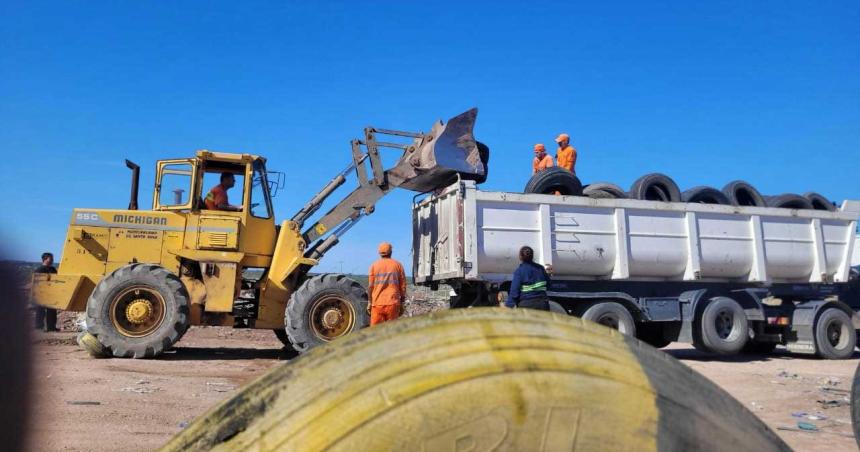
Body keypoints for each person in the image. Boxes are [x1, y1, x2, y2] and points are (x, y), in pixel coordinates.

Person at [367, 242, 407, 326]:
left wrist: (370, 302)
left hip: (377, 304)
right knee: (391, 331)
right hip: (393, 303)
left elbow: (370, 287)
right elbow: (403, 286)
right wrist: (402, 302)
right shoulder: (398, 265)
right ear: (391, 252)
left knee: (375, 332)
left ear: (379, 253)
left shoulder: (374, 266)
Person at [505, 246, 551, 311]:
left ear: (520, 257)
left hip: (526, 306)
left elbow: (514, 292)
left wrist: (509, 306)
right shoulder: (541, 268)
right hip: (542, 304)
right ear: (532, 256)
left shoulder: (519, 271)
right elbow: (548, 285)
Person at [33, 252, 59, 332]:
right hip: (42, 293)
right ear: (45, 259)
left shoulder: (53, 269)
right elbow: (36, 282)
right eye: (50, 259)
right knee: (40, 311)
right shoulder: (39, 270)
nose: (52, 260)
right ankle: (39, 327)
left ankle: (51, 327)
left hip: (51, 293)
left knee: (52, 311)